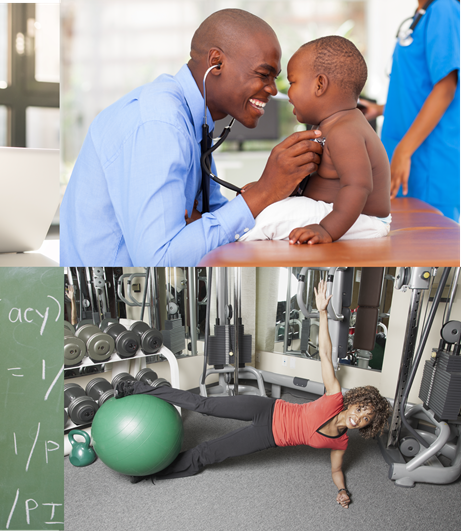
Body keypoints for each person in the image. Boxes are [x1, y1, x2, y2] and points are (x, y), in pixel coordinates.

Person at [60, 8, 324, 266]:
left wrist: (263, 195)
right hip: (111, 302)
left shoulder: (195, 123)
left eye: (274, 78)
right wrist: (263, 192)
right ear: (216, 62)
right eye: (263, 74)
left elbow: (211, 223)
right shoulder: (160, 124)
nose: (271, 89)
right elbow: (161, 259)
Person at [116, 279, 391, 509]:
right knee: (203, 404)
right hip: (267, 409)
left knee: (208, 454)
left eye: (366, 418)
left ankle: (151, 471)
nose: (359, 418)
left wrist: (342, 490)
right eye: (360, 409)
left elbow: (335, 470)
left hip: (269, 437)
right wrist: (321, 312)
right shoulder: (334, 397)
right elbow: (325, 354)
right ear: (353, 402)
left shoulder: (340, 443)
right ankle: (139, 388)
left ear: (368, 426)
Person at [239, 36, 392, 244]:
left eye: (292, 82)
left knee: (269, 219)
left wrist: (326, 229)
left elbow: (358, 187)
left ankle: (227, 237)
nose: (287, 92)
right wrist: (266, 192)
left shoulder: (345, 132)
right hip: (337, 212)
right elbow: (309, 179)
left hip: (359, 219)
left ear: (320, 85)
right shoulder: (325, 126)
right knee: (267, 208)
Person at [359, 0, 459, 221]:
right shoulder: (422, 13)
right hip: (407, 158)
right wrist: (381, 109)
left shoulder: (443, 8)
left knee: (431, 248)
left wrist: (403, 151)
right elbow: (419, 89)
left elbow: (445, 88)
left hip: (428, 161)